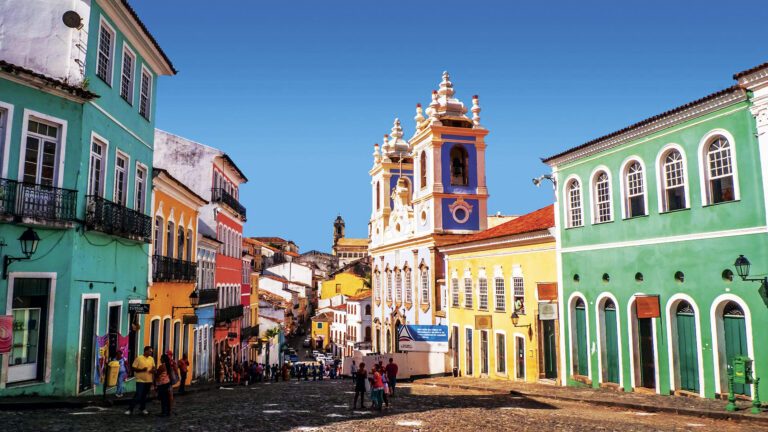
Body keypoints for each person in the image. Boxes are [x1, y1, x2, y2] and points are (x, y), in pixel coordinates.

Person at [126, 346, 155, 415]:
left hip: (148, 380)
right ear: (146, 351)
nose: (151, 352)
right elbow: (133, 368)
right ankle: (130, 409)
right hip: (140, 380)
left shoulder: (151, 359)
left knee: (144, 396)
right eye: (150, 351)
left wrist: (153, 370)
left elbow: (154, 367)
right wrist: (141, 370)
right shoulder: (139, 358)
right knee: (138, 395)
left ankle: (142, 408)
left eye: (151, 351)